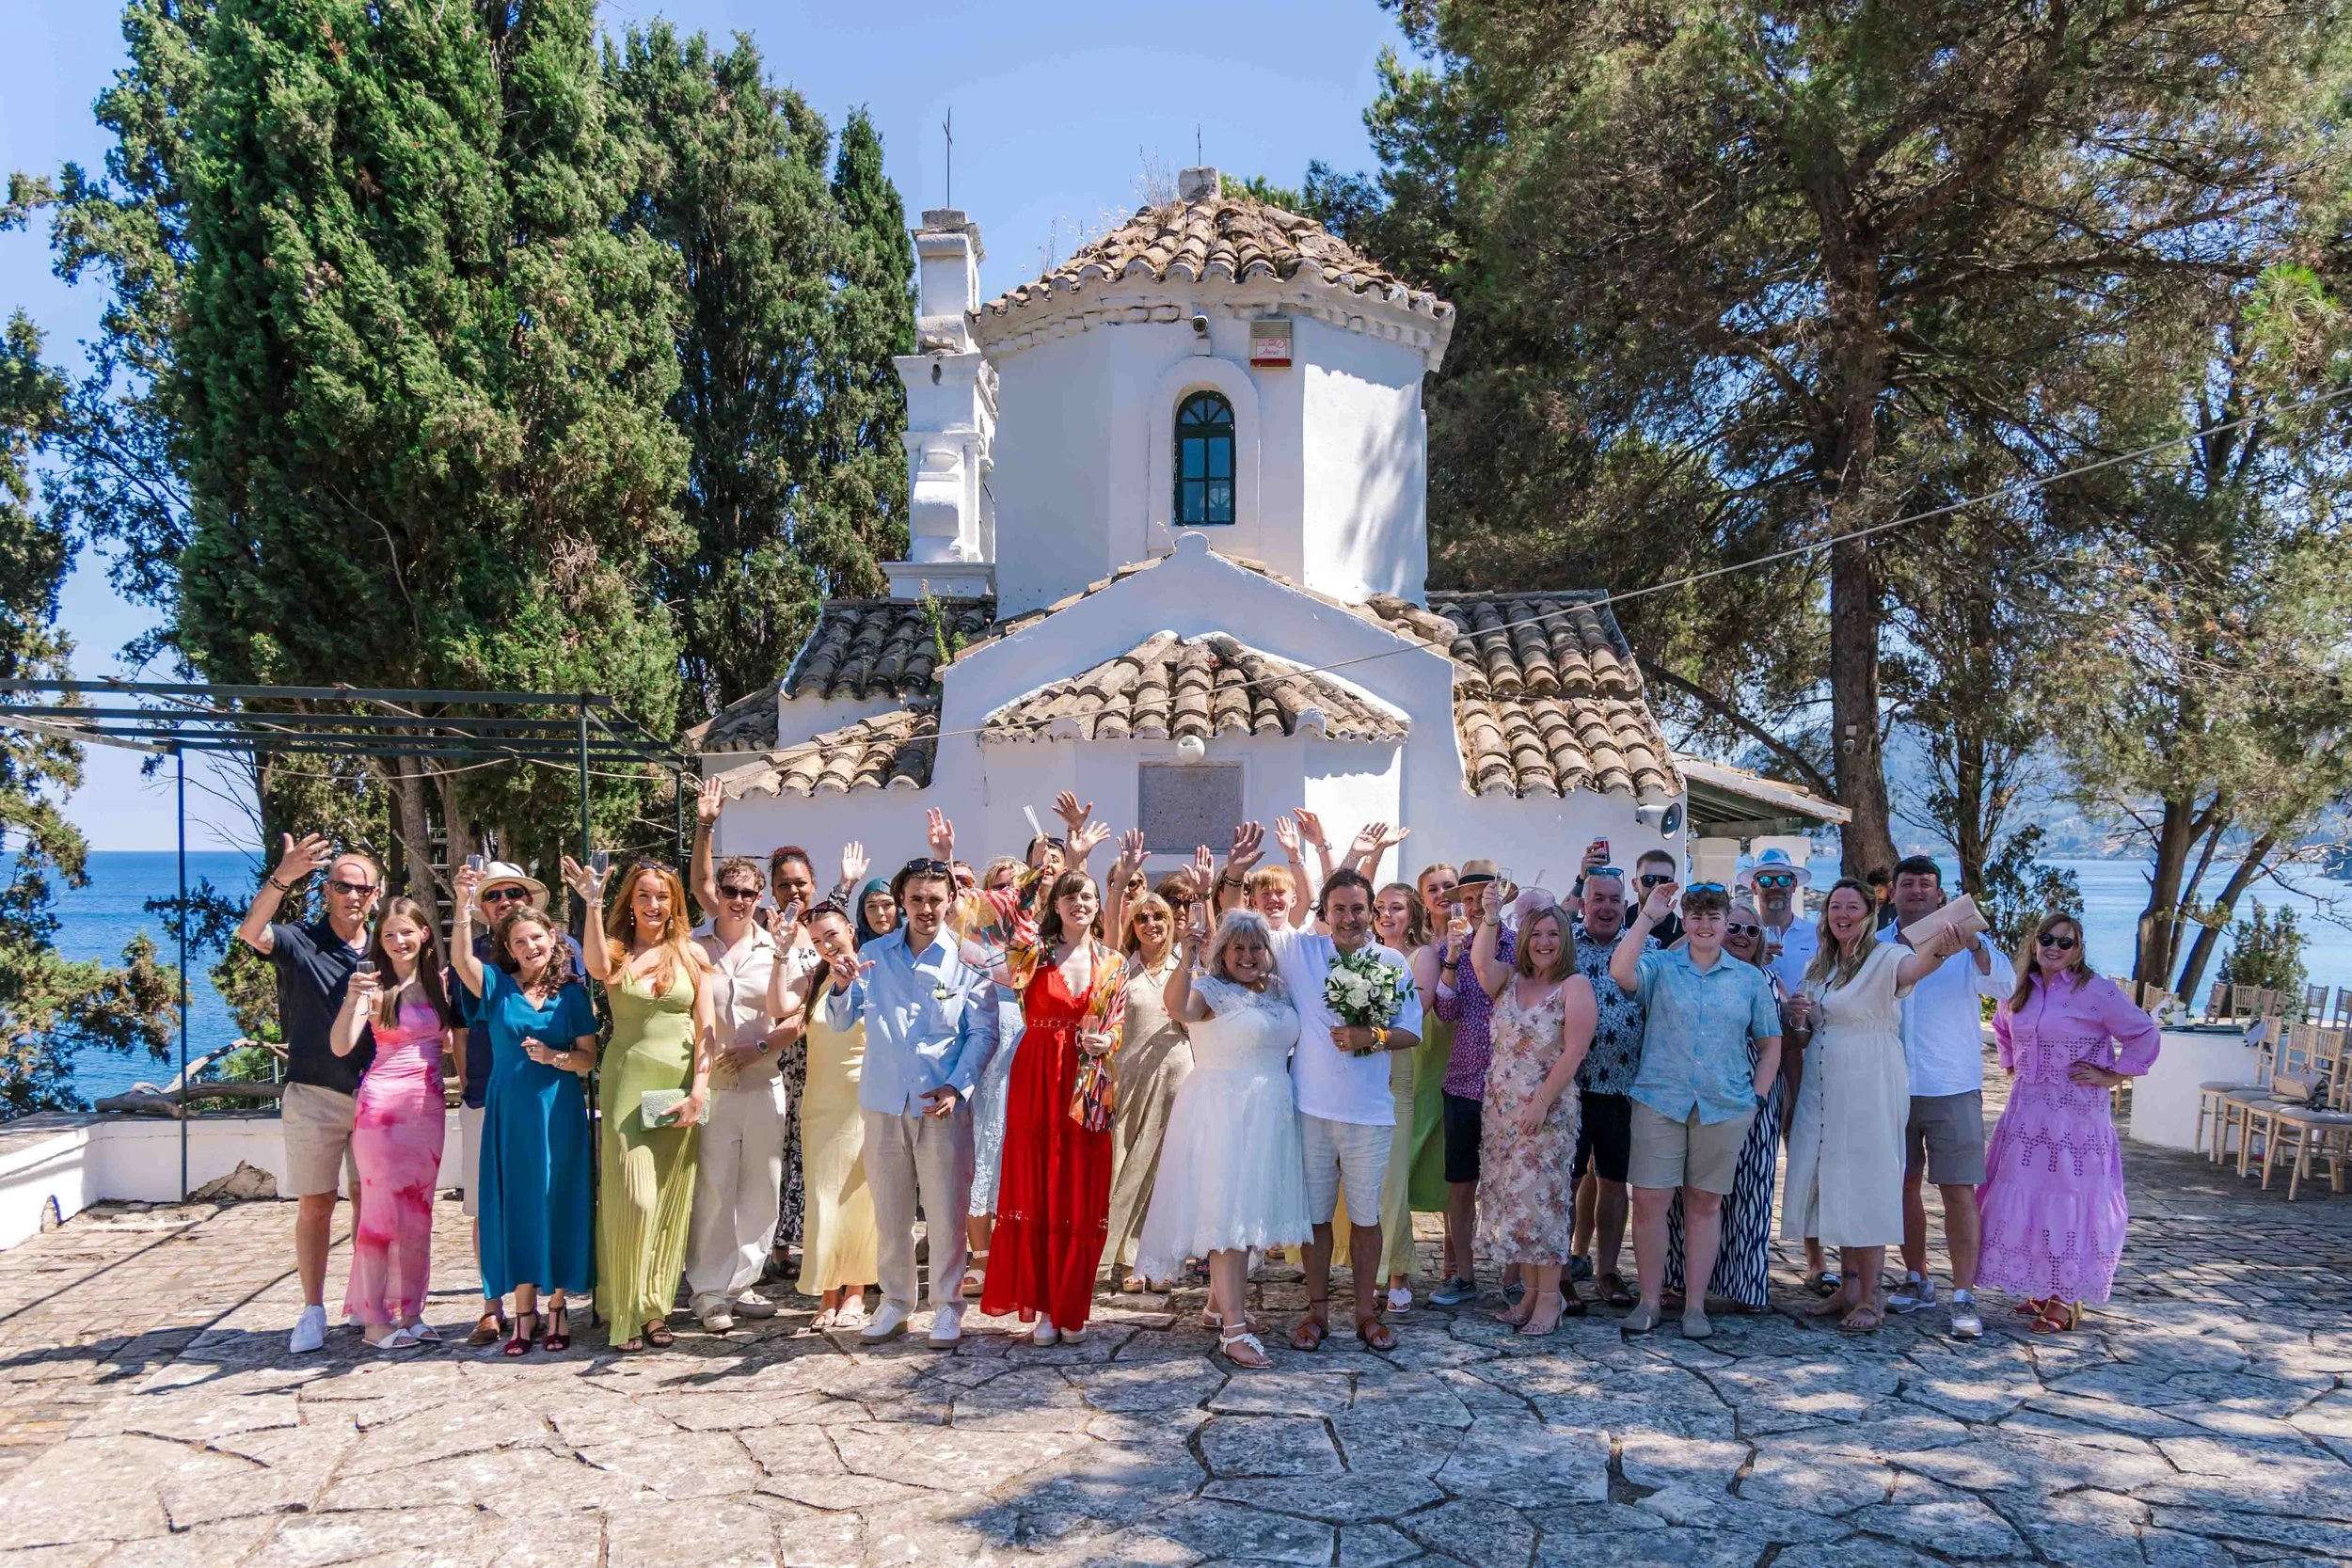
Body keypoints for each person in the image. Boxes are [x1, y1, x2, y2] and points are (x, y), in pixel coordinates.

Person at [820, 844, 1000, 1346]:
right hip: (883, 1103)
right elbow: (840, 1021)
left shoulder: (970, 959)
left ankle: (947, 1306)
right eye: (916, 898)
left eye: (935, 899)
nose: (926, 908)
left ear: (950, 901)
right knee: (891, 1213)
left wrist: (957, 1086)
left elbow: (983, 1033)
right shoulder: (873, 955)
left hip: (940, 1107)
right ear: (901, 899)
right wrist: (838, 986)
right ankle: (896, 1302)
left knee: (945, 1213)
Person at [1780, 878, 1965, 1333]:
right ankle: (1846, 1287)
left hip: (1869, 1076)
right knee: (1831, 1179)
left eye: (1852, 908)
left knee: (1866, 1179)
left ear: (1869, 913)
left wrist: (1942, 948)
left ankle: (1870, 1297)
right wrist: (1799, 1019)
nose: (1842, 915)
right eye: (1835, 908)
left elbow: (1915, 970)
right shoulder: (1821, 965)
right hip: (1823, 1080)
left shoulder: (1887, 957)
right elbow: (1806, 1034)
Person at [1137, 907, 1310, 1369]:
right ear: (1223, 952)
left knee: (1248, 1213)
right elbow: (1177, 1009)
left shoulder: (1277, 989)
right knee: (1230, 1217)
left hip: (1269, 1110)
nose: (1249, 956)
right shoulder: (1208, 989)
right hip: (1224, 1111)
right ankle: (1233, 1332)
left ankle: (1219, 1306)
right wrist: (1187, 954)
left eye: (1256, 947)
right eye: (1238, 947)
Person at [1610, 879, 1783, 1341]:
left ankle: (1695, 1306)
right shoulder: (1662, 966)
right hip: (1660, 1099)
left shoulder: (1749, 979)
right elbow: (1621, 973)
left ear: (1727, 923)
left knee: (1705, 1205)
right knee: (1649, 1203)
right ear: (1684, 921)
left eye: (1714, 917)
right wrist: (1647, 916)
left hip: (1724, 1105)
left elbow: (1770, 1044)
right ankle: (1649, 1302)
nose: (1705, 925)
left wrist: (1757, 1099)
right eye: (1697, 917)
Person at [1977, 912, 2160, 1333]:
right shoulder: (2020, 990)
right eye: (2047, 939)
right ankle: (2042, 1286)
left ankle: (2067, 1297)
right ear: (2035, 942)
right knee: (2030, 1199)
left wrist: (2115, 1075)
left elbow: (2144, 1033)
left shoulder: (2096, 992)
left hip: (2076, 1119)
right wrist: (2011, 1063)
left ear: (2079, 951)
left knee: (2071, 1200)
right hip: (2027, 1113)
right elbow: (2003, 1028)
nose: (2054, 948)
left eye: (2066, 942)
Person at [1263, 867, 1422, 1353]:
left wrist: (1368, 1037)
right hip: (1310, 1109)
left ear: (1370, 911)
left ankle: (1365, 1314)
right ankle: (1316, 1312)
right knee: (1315, 1218)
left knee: (1366, 1217)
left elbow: (1410, 1032)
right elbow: (1245, 923)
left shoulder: (1392, 962)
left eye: (1358, 908)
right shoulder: (1301, 954)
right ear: (1324, 913)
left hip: (1369, 1113)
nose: (1349, 917)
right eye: (1339, 909)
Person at [235, 832, 381, 1354]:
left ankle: (366, 1300)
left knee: (370, 1202)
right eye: (342, 885)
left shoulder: (387, 946)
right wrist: (282, 877)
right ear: (326, 890)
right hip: (314, 1093)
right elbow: (251, 932)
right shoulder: (301, 939)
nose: (352, 895)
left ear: (376, 895)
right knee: (317, 1203)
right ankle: (313, 1309)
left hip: (374, 1095)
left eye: (363, 888)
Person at [563, 856, 716, 1353]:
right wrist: (591, 903)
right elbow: (594, 967)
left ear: (674, 903)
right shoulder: (615, 952)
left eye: (662, 896)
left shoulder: (692, 954)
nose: (653, 904)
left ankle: (654, 1308)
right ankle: (622, 1309)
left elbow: (707, 1031)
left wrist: (699, 1091)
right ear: (630, 901)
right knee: (635, 1199)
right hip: (628, 1087)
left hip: (678, 1089)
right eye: (644, 895)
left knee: (670, 1202)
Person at [978, 852, 1128, 1345]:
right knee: (1039, 1187)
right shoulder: (1032, 953)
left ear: (1098, 904)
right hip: (1038, 1073)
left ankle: (1072, 1306)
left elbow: (1117, 1024)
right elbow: (986, 922)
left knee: (1081, 1190)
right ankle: (1043, 1307)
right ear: (1056, 904)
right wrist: (1034, 874)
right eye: (1070, 895)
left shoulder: (1113, 962)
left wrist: (1111, 1043)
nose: (1080, 903)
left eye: (1088, 895)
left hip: (1087, 1080)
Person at [450, 876, 598, 1355]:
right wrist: (461, 904)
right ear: (509, 949)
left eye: (537, 937)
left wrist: (554, 1058)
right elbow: (460, 961)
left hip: (557, 1111)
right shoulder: (495, 985)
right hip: (509, 1113)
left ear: (552, 938)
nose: (529, 946)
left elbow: (588, 1058)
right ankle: (524, 1311)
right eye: (519, 941)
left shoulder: (572, 992)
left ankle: (557, 1307)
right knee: (516, 1204)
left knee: (556, 1199)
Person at [1883, 856, 2010, 1340]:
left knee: (1958, 1191)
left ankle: (1964, 1293)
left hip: (1952, 1084)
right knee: (1903, 1186)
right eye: (1907, 883)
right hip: (1892, 1083)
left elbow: (2004, 986)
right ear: (1892, 892)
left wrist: (1975, 943)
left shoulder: (1969, 946)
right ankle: (1917, 1278)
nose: (1916, 891)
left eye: (1926, 884)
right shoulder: (1876, 945)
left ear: (1940, 895)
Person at [968, 797, 1085, 1296]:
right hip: (992, 1037)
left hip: (1038, 1042)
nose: (1013, 893)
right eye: (1003, 887)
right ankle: (981, 1253)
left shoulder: (1049, 938)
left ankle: (1036, 1242)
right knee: (989, 1141)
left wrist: (1071, 852)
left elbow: (1075, 903)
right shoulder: (986, 936)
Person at [329, 895, 458, 1350]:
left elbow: (447, 1043)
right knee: (381, 1213)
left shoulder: (439, 984)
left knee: (419, 1212)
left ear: (424, 933)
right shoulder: (372, 986)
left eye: (406, 931)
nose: (398, 940)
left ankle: (413, 1311)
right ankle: (374, 1320)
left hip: (428, 1108)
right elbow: (342, 1046)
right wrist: (352, 999)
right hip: (382, 1109)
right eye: (388, 934)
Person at [682, 845, 802, 1334]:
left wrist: (762, 1044)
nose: (738, 900)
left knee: (761, 1190)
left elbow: (796, 1012)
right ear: (718, 895)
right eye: (729, 891)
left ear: (760, 897)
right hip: (712, 1087)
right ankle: (709, 1293)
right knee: (713, 1189)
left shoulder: (774, 946)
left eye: (747, 893)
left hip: (762, 1080)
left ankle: (742, 1282)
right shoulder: (693, 946)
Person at [1466, 893, 1597, 1335]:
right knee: (1514, 1205)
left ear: (1565, 941)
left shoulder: (1575, 987)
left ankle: (1549, 1299)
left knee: (1543, 1205)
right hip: (1501, 1112)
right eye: (1536, 934)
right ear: (1523, 939)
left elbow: (1576, 1049)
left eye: (1553, 935)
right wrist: (1488, 916)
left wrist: (1541, 1103)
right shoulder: (1510, 979)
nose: (1544, 942)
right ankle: (1526, 1298)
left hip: (1547, 1112)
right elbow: (1481, 965)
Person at [1663, 899, 1787, 1312]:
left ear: (1761, 942)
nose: (1740, 936)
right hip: (1701, 1096)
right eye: (1732, 926)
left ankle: (1747, 1285)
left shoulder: (1769, 982)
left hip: (1755, 1096)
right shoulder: (1686, 973)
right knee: (1690, 1193)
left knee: (1751, 1193)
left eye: (1751, 931)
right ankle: (1676, 1280)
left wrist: (1760, 1098)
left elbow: (1782, 1044)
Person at [773, 898, 879, 1330]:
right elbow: (779, 1006)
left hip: (863, 1099)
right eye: (816, 941)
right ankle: (827, 1293)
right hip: (818, 1103)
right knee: (822, 1201)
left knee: (859, 1199)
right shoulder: (815, 978)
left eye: (832, 935)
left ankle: (855, 1292)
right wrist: (783, 951)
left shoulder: (877, 970)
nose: (826, 946)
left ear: (851, 930)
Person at [1103, 884, 1193, 1292]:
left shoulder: (1187, 966)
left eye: (1159, 917)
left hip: (1177, 1077)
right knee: (1123, 1167)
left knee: (1165, 1168)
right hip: (1128, 1077)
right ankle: (1117, 1256)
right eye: (1142, 917)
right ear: (1132, 925)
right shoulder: (1121, 967)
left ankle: (1159, 1261)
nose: (1152, 924)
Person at [1430, 859, 1512, 1307]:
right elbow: (1444, 1013)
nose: (1476, 905)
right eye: (1468, 898)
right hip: (1462, 1083)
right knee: (1461, 1185)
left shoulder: (1520, 945)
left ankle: (1515, 1275)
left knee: (1511, 1182)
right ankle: (1462, 1274)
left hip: (1510, 1086)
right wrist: (1453, 959)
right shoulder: (1451, 949)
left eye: (1484, 895)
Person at [1741, 846, 1824, 1289]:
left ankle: (1815, 1260)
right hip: (1748, 1058)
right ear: (1753, 886)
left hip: (1802, 1052)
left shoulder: (1816, 935)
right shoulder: (1740, 932)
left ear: (1795, 886)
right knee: (1750, 1161)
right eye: (1766, 880)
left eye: (1783, 880)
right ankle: (1743, 1258)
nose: (1775, 888)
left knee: (1806, 1155)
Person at [1565, 860, 1646, 1307]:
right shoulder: (1563, 949)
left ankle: (1608, 1270)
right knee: (1568, 1181)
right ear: (1583, 902)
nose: (1607, 907)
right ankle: (1558, 1271)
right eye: (1598, 898)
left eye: (1616, 900)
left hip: (1623, 1087)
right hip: (1570, 1087)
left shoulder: (1645, 946)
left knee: (1615, 1182)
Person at [1361, 880, 1428, 1308]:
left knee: (1394, 1180)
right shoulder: (1359, 958)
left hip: (1400, 1074)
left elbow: (1415, 1017)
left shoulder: (1423, 957)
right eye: (1380, 907)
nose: (1387, 915)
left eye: (1397, 908)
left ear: (1413, 915)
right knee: (1366, 1179)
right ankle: (1370, 1269)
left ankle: (1398, 1271)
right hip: (1362, 1075)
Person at [1405, 863, 1464, 1292]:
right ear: (1422, 898)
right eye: (1433, 888)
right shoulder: (1418, 945)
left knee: (1451, 1155)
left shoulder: (1476, 936)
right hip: (1421, 1050)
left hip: (1460, 1049)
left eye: (1448, 885)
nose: (1442, 893)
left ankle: (1452, 1257)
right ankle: (1399, 1255)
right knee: (1414, 1145)